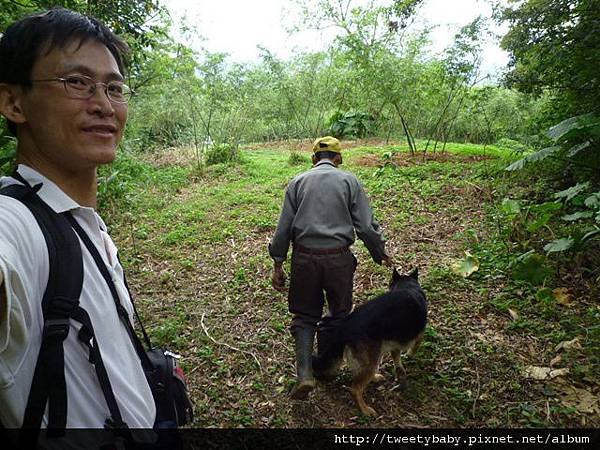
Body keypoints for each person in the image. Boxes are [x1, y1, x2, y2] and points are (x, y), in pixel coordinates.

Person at [0, 8, 155, 430]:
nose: (104, 105)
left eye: (114, 87)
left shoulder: (79, 221)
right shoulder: (17, 222)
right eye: (77, 83)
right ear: (14, 102)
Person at [269, 136, 393, 399]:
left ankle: (305, 374)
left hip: (304, 259)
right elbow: (366, 227)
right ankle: (327, 366)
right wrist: (379, 252)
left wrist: (278, 263)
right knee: (339, 312)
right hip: (338, 259)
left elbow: (283, 230)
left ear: (314, 159)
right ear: (338, 159)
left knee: (304, 317)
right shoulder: (350, 181)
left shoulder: (297, 182)